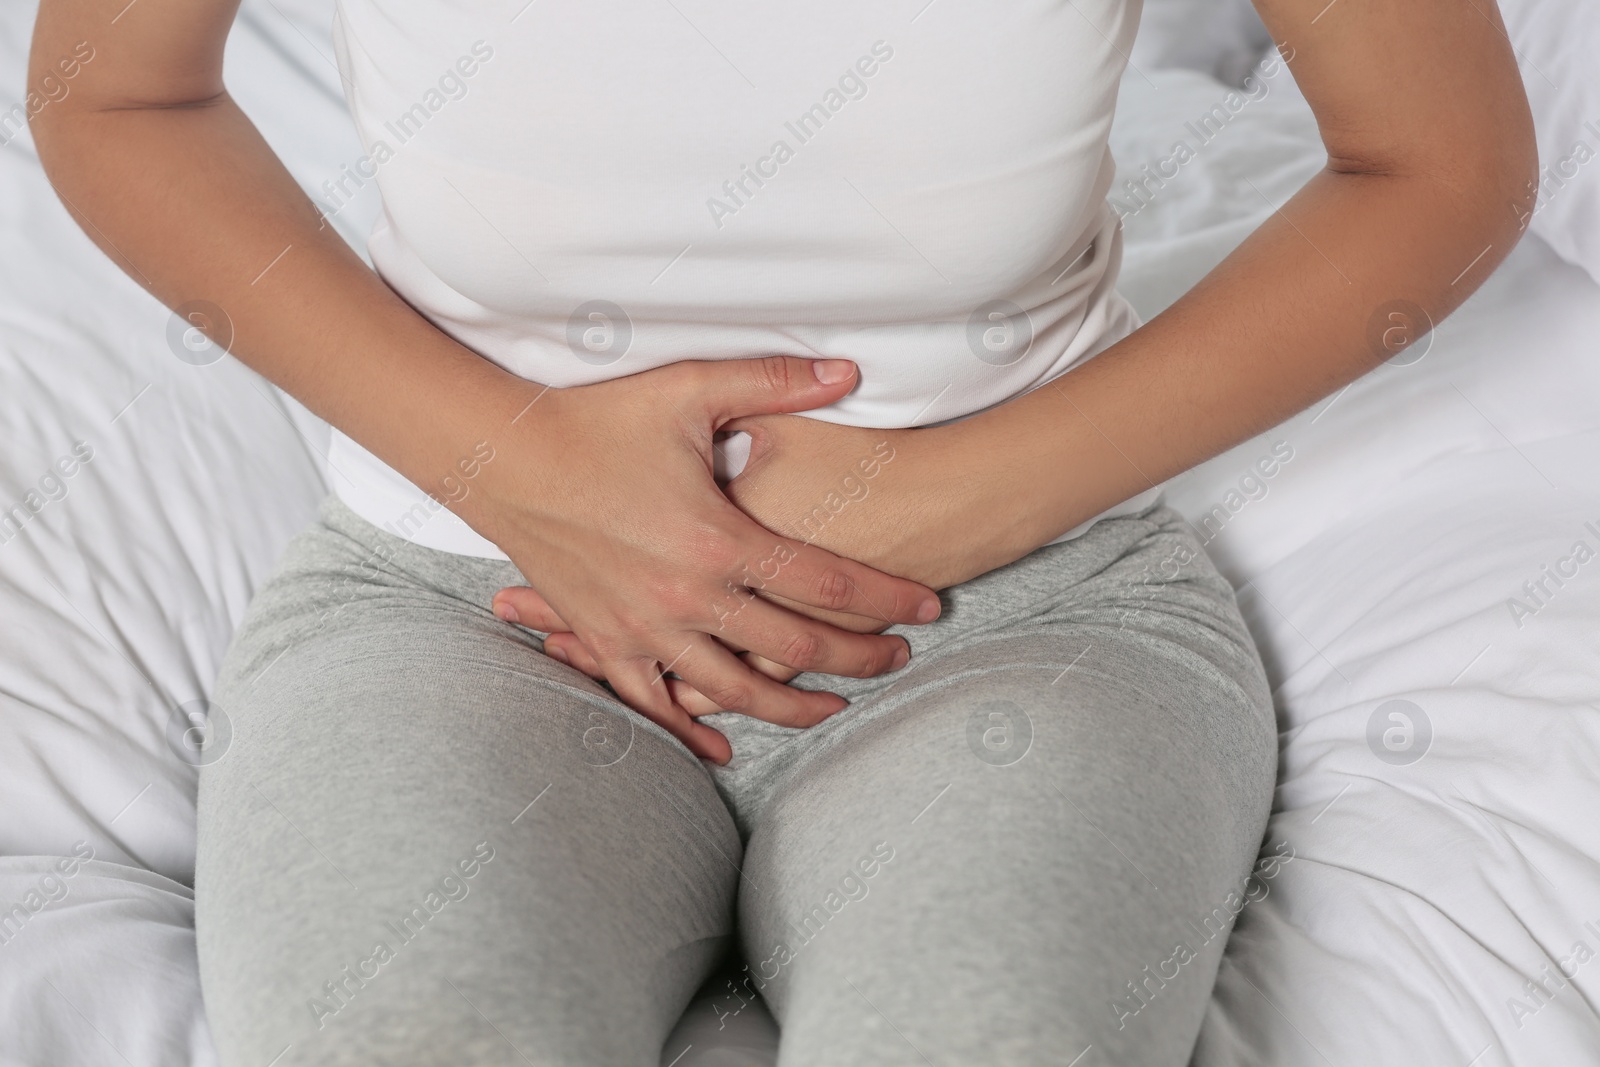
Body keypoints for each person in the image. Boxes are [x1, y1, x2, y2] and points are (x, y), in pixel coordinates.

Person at [29, 0, 1535, 1062]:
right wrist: (515, 465)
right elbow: (114, 90)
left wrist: (955, 498)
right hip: (468, 604)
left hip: (1027, 613)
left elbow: (1437, 165)